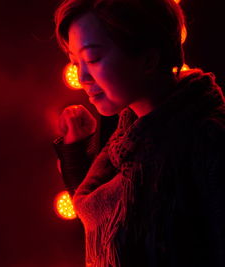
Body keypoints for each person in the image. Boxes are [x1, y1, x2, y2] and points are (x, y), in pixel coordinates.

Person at [51, 0, 225, 266]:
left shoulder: (207, 140)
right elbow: (100, 213)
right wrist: (76, 148)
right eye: (76, 62)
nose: (82, 76)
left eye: (93, 58)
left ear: (148, 59)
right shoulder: (127, 141)